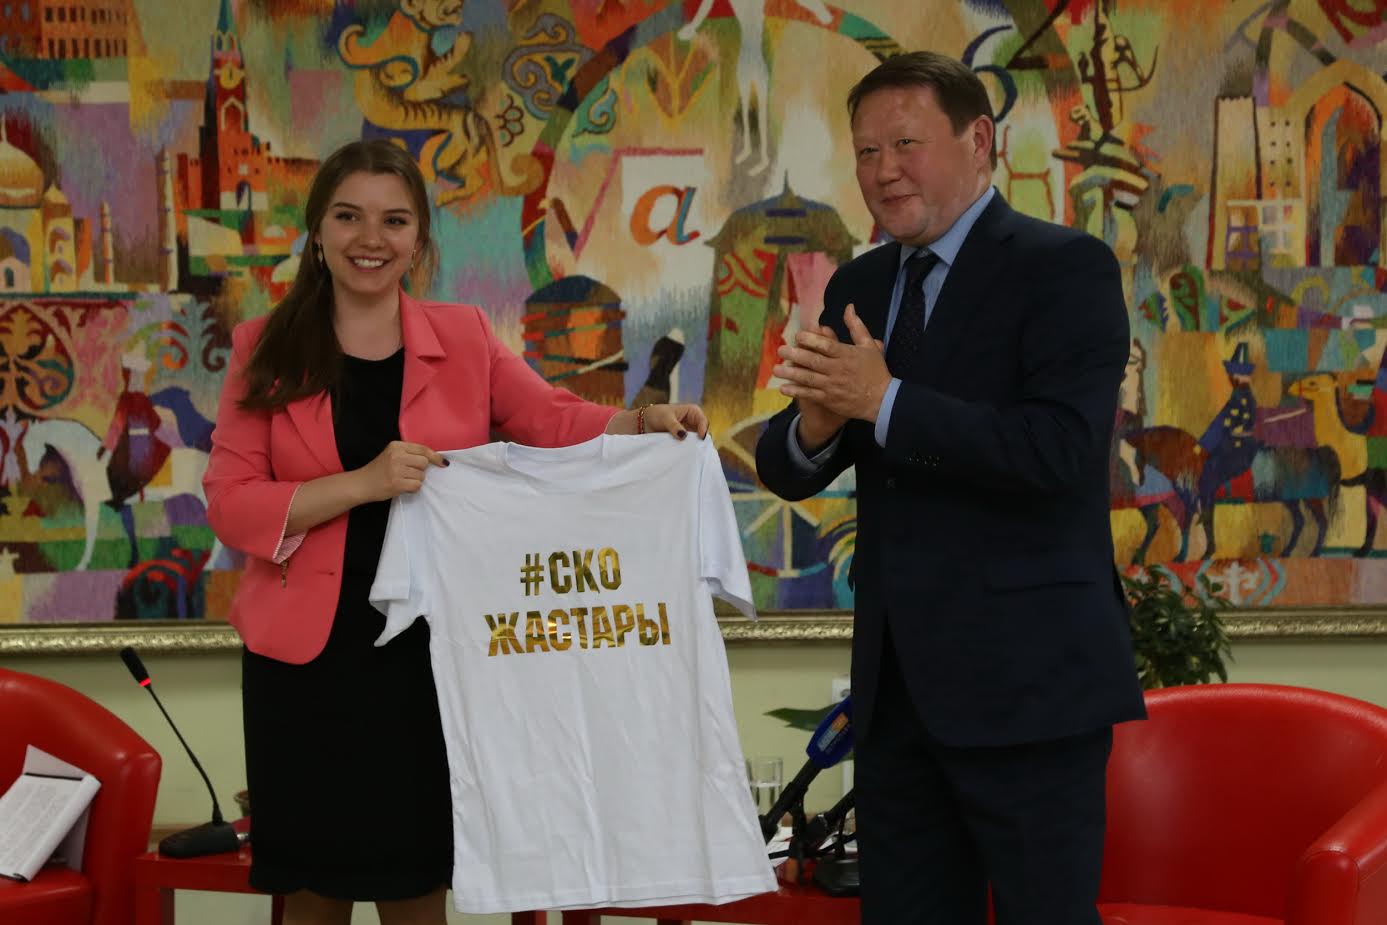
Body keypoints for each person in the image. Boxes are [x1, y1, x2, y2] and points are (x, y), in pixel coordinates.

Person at [203, 138, 707, 925]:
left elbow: (550, 419)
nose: (371, 238)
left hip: (428, 658)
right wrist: (363, 482)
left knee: (416, 886)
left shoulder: (465, 335)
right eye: (349, 217)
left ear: (419, 239)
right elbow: (232, 504)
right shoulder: (262, 347)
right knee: (309, 892)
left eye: (394, 220)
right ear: (317, 231)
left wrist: (639, 422)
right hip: (302, 665)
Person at [754, 52, 1145, 924]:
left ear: (978, 142)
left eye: (905, 143)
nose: (882, 170)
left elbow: (1057, 450)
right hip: (897, 699)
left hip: (1031, 687)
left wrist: (883, 401)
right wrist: (816, 424)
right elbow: (788, 461)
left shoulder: (1064, 268)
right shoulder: (858, 284)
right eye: (865, 151)